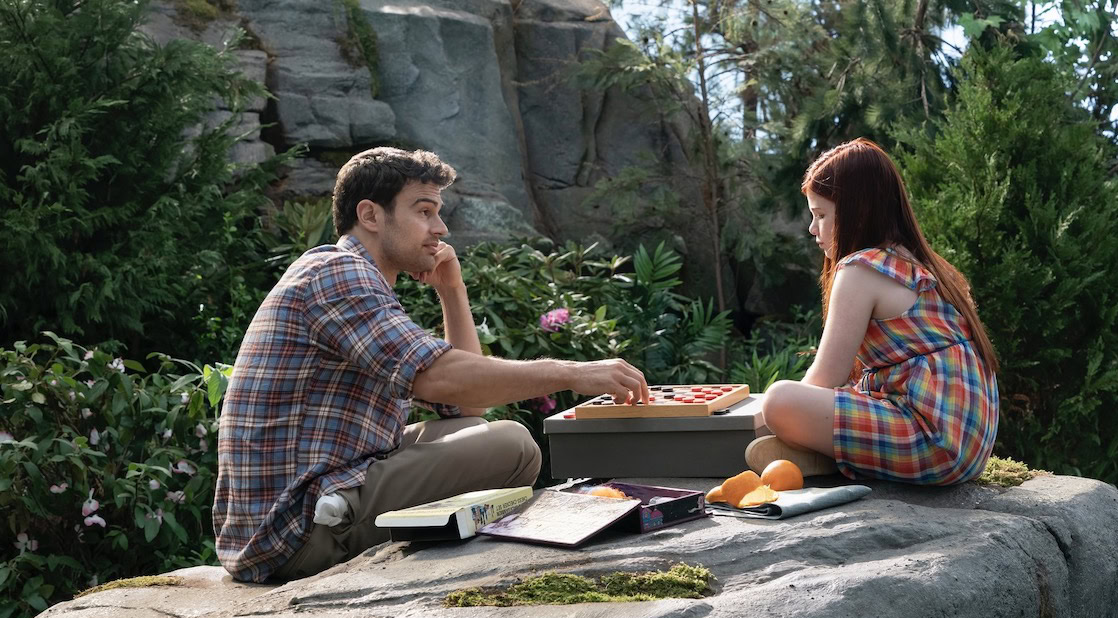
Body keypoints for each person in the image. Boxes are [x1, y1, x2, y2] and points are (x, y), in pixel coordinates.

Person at [214, 147, 651, 583]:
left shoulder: (356, 279)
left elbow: (467, 409)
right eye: (424, 212)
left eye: (438, 213)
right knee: (513, 446)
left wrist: (451, 291)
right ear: (370, 215)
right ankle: (347, 513)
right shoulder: (337, 273)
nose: (440, 229)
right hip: (295, 531)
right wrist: (572, 372)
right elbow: (441, 377)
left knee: (474, 433)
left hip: (304, 503)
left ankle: (358, 507)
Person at [745, 138, 999, 485]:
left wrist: (759, 418)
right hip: (967, 441)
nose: (812, 229)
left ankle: (822, 453)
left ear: (856, 212)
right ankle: (831, 455)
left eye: (821, 215)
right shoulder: (925, 265)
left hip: (933, 438)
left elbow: (825, 378)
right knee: (820, 398)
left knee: (778, 400)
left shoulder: (861, 269)